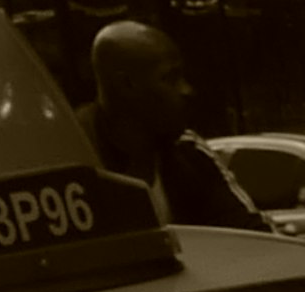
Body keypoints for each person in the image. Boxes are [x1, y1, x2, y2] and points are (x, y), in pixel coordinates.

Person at [89, 12, 260, 226]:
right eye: (170, 78)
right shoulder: (77, 158)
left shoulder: (188, 152)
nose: (187, 90)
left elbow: (250, 233)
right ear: (127, 85)